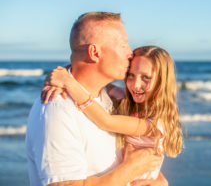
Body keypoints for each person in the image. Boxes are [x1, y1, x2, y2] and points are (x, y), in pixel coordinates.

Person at [25, 12, 167, 186]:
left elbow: (146, 168)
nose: (131, 53)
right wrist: (130, 169)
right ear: (94, 52)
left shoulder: (111, 100)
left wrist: (160, 181)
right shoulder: (58, 108)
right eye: (123, 44)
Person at [42, 46, 183, 185]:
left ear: (162, 82)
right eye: (131, 75)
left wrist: (69, 83)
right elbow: (92, 80)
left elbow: (106, 121)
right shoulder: (127, 101)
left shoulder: (154, 124)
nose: (135, 84)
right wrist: (63, 73)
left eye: (146, 77)